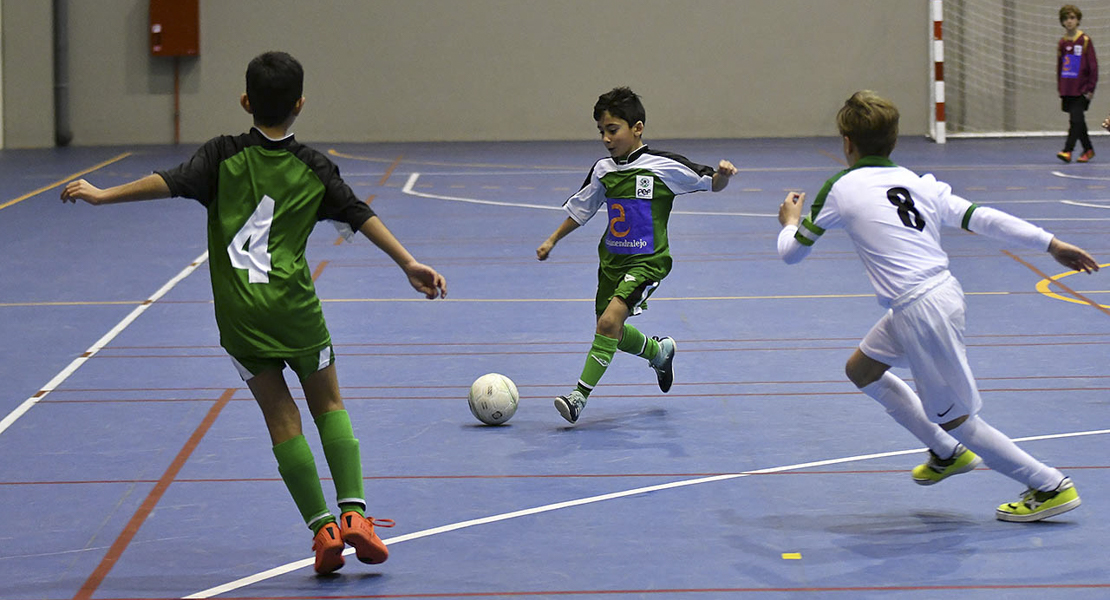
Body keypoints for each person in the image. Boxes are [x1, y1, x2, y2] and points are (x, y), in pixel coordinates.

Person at [61, 51, 447, 573]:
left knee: (281, 418)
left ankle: (322, 529)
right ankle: (355, 514)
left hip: (240, 317)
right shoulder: (313, 167)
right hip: (295, 309)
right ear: (300, 105)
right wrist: (408, 262)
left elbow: (167, 181)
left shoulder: (221, 156)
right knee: (328, 404)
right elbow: (359, 213)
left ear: (246, 101)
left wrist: (105, 195)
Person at [777, 90, 1099, 522]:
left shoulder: (840, 187)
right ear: (893, 140)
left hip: (920, 311)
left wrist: (790, 222)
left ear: (847, 143)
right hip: (939, 295)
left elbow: (791, 253)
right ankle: (947, 453)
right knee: (862, 369)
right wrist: (1051, 243)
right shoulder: (918, 182)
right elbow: (982, 217)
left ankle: (1049, 485)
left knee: (960, 420)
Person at [536, 87, 737, 424]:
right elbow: (582, 209)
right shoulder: (603, 171)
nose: (605, 138)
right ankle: (659, 352)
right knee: (609, 330)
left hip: (648, 261)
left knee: (609, 322)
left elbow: (709, 182)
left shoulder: (663, 166)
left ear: (637, 128)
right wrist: (552, 239)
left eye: (612, 130)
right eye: (601, 131)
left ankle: (578, 397)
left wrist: (723, 177)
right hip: (611, 263)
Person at [1056, 4, 1098, 163]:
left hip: (1081, 89)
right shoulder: (1062, 43)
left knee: (1075, 120)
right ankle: (1088, 149)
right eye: (1066, 18)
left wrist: (1090, 87)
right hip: (1067, 88)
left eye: (1072, 18)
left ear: (1078, 20)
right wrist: (1060, 86)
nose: (1069, 21)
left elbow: (1093, 67)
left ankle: (1068, 150)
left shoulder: (1085, 40)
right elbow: (1060, 66)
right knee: (1078, 120)